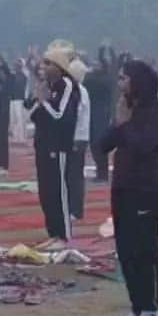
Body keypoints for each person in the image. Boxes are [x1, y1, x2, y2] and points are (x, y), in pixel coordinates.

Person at [97, 60, 158, 316]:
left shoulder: (157, 111)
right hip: (123, 187)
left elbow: (144, 145)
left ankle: (150, 310)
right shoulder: (125, 109)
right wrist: (118, 123)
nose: (120, 83)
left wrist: (126, 124)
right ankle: (136, 307)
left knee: (144, 250)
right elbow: (102, 145)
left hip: (147, 189)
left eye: (124, 78)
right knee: (125, 251)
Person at [26, 42, 81, 250]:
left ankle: (63, 236)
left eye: (48, 63)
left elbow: (59, 115)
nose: (43, 67)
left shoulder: (66, 85)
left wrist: (43, 102)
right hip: (43, 144)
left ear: (59, 67)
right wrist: (40, 101)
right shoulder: (48, 87)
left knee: (58, 191)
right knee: (46, 192)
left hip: (58, 147)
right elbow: (33, 115)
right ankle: (53, 233)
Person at [66, 58, 92, 219]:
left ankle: (75, 210)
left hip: (76, 137)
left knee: (74, 176)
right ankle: (73, 208)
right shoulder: (80, 90)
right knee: (72, 175)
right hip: (78, 136)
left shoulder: (78, 91)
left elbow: (73, 115)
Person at [86, 47, 116, 183]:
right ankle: (100, 172)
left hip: (102, 113)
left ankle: (102, 173)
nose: (94, 66)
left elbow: (92, 83)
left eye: (97, 64)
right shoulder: (93, 78)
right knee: (93, 144)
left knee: (99, 144)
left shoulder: (105, 79)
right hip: (93, 112)